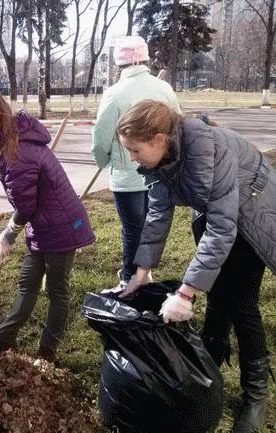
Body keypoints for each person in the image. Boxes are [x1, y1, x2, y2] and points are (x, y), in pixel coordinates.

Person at [118, 100, 276, 433]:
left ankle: (256, 394)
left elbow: (223, 229)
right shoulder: (163, 156)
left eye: (134, 150)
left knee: (243, 305)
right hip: (215, 212)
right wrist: (142, 270)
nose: (132, 157)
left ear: (159, 139)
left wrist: (185, 293)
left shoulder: (211, 150)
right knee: (219, 294)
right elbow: (159, 212)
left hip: (254, 213)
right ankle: (212, 364)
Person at [0, 88, 95, 363]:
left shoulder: (18, 152)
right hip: (43, 225)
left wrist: (10, 231)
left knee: (57, 290)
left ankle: (47, 352)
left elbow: (26, 206)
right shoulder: (15, 141)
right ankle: (1, 343)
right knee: (27, 283)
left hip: (61, 227)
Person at [92, 35, 181, 291]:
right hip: (161, 172)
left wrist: (105, 161)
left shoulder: (114, 93)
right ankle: (144, 273)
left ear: (119, 64)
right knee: (153, 225)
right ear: (145, 58)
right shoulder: (164, 88)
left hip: (126, 176)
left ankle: (131, 277)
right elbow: (178, 125)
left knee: (133, 229)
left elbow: (101, 137)